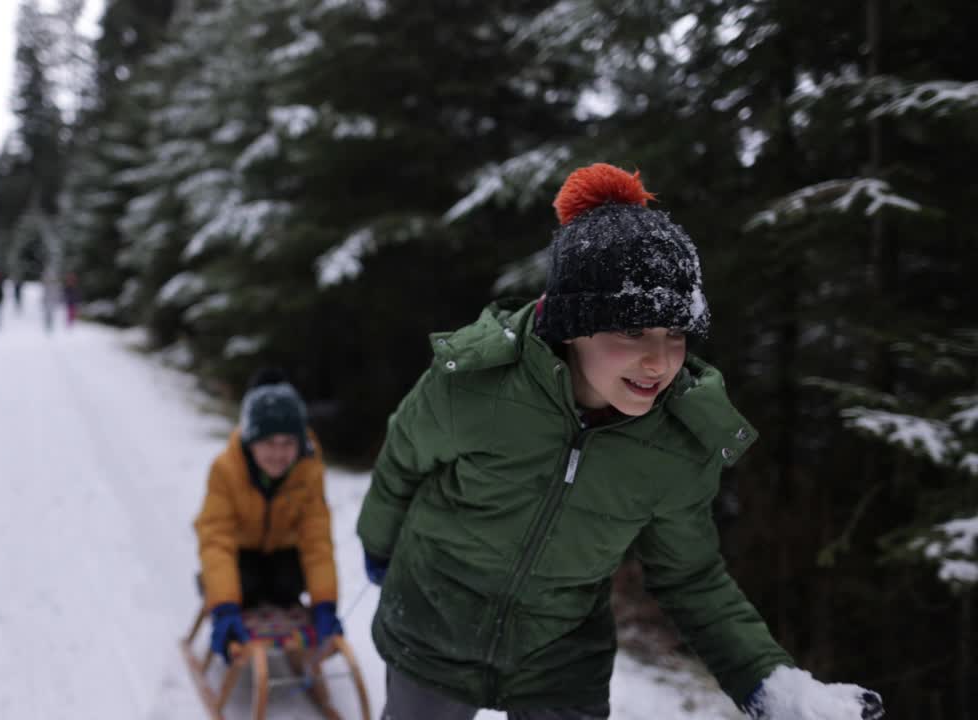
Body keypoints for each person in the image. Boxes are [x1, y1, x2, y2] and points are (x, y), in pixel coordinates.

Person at [355, 164, 885, 720]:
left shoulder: (676, 443)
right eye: (632, 330)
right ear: (572, 324)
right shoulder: (474, 383)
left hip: (560, 660)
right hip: (432, 625)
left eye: (675, 333)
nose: (658, 360)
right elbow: (402, 463)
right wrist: (377, 546)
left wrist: (769, 684)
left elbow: (691, 576)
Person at [194, 369, 342, 662]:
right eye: (269, 443)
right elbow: (216, 538)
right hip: (241, 553)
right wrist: (224, 605)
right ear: (251, 442)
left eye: (288, 443)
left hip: (280, 553)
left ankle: (271, 597)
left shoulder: (308, 470)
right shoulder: (226, 470)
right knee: (241, 587)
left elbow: (317, 540)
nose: (279, 454)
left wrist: (325, 603)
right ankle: (224, 595)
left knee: (288, 585)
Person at [41, 269, 61, 333]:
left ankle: (50, 325)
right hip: (48, 301)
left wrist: (57, 300)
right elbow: (44, 293)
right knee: (48, 313)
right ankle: (48, 325)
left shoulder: (56, 285)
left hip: (52, 301)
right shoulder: (47, 284)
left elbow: (57, 293)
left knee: (51, 313)